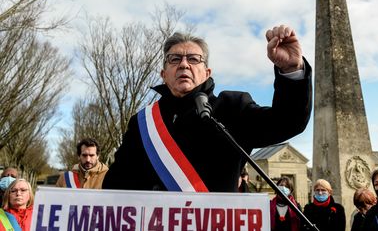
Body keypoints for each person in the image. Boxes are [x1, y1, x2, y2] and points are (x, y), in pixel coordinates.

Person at [102, 24, 312, 192]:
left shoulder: (232, 108)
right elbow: (115, 185)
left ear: (207, 72)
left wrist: (292, 70)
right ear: (163, 74)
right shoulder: (143, 123)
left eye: (193, 59)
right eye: (175, 59)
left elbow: (287, 122)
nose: (184, 64)